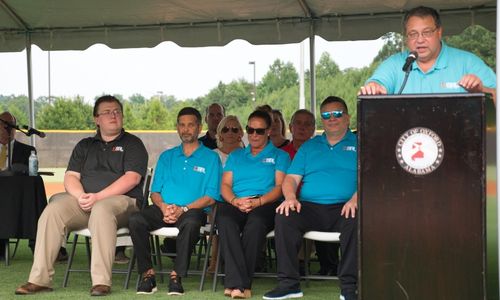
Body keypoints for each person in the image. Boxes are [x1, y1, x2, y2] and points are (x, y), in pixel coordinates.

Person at [15, 95, 148, 296]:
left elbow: (132, 179)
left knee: (102, 209)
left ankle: (101, 282)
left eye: (117, 111)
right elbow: (70, 177)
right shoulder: (85, 145)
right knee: (53, 210)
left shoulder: (133, 143)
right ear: (96, 119)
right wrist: (81, 196)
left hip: (124, 203)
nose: (113, 115)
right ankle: (39, 279)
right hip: (86, 201)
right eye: (107, 112)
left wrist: (98, 197)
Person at [263, 96, 358, 300]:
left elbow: (372, 177)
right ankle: (289, 284)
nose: (332, 118)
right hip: (311, 207)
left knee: (357, 218)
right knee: (284, 215)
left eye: (337, 114)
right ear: (322, 120)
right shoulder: (309, 147)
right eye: (326, 115)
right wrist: (289, 198)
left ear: (348, 118)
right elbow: (290, 179)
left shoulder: (361, 143)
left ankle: (350, 287)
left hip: (346, 207)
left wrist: (356, 199)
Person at [129, 107, 221, 296]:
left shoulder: (211, 158)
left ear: (199, 127)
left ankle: (175, 276)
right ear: (177, 128)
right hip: (164, 208)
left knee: (191, 222)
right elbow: (154, 192)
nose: (186, 129)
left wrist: (183, 209)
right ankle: (148, 275)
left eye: (190, 125)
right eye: (182, 125)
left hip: (193, 210)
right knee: (135, 220)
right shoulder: (166, 156)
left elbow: (211, 196)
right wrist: (163, 207)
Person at [217, 110, 290, 299]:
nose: (254, 135)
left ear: (268, 131)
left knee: (256, 223)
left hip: (265, 202)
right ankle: (240, 285)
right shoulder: (236, 155)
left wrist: (258, 201)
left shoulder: (280, 155)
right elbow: (225, 185)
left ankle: (237, 284)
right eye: (250, 130)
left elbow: (280, 186)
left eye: (259, 131)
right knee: (224, 219)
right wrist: (234, 200)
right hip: (237, 201)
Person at [359, 6, 496, 102]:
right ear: (406, 37)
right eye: (413, 34)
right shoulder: (394, 63)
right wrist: (374, 87)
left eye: (427, 33)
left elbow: (496, 97)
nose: (420, 40)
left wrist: (481, 91)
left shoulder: (468, 62)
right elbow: (377, 83)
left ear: (439, 32)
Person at [207, 115, 245, 273]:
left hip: (244, 200)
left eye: (234, 129)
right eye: (225, 129)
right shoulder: (211, 156)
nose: (230, 132)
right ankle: (215, 261)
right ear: (219, 134)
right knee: (219, 214)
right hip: (217, 200)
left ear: (240, 134)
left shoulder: (249, 156)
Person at [0, 111, 37, 260]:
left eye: (10, 126)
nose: (6, 130)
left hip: (18, 200)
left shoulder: (28, 151)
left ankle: (36, 243)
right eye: (2, 125)